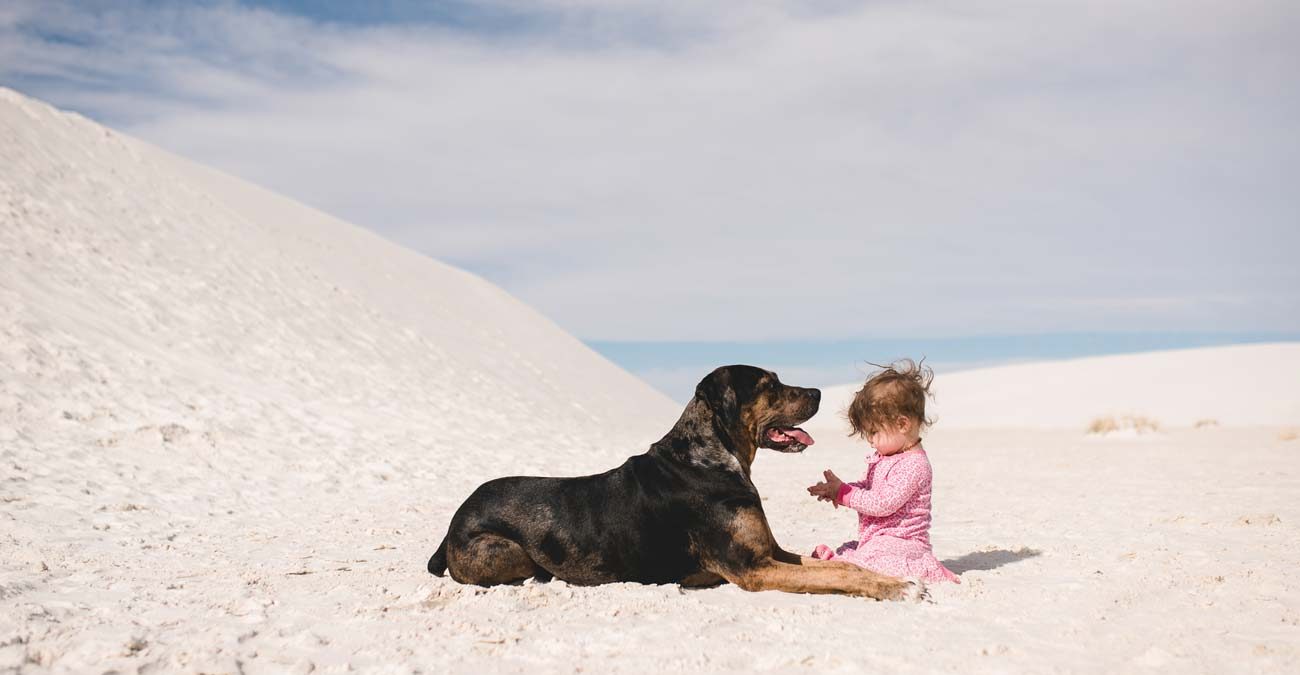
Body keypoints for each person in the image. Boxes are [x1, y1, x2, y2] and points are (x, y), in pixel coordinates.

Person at [806, 359, 960, 583]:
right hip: (880, 539)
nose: (870, 440)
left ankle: (923, 567)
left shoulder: (914, 465)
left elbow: (882, 503)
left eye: (874, 431)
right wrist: (839, 489)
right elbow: (870, 488)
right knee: (858, 549)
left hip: (904, 543)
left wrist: (845, 494)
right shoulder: (887, 457)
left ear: (902, 424)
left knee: (873, 560)